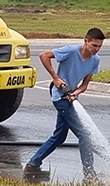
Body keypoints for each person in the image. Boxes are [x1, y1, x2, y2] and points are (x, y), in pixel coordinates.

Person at [24, 28, 105, 177]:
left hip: (71, 98)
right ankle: (89, 174)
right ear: (85, 41)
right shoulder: (71, 51)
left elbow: (85, 85)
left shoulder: (95, 60)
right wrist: (55, 77)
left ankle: (33, 164)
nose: (96, 49)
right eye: (94, 45)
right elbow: (44, 55)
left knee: (60, 136)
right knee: (84, 134)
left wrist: (76, 93)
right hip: (60, 98)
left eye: (99, 46)